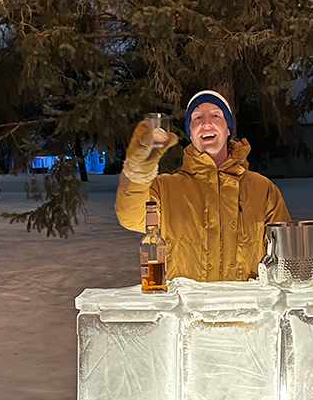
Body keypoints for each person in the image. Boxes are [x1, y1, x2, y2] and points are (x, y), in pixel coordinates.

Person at [116, 90, 292, 282]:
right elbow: (130, 217)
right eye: (197, 117)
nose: (206, 123)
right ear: (191, 134)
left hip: (247, 310)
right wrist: (138, 171)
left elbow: (288, 255)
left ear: (227, 130)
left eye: (215, 115)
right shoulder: (165, 189)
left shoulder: (263, 189)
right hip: (184, 311)